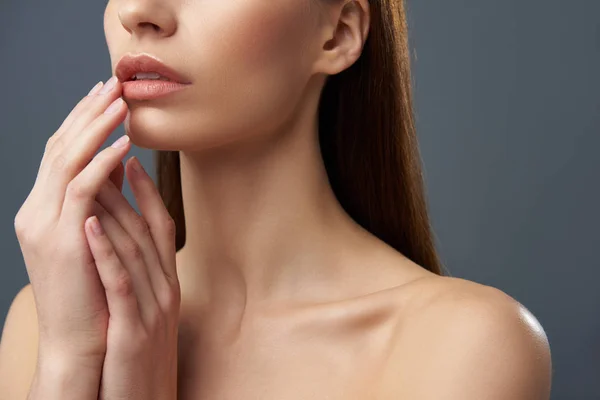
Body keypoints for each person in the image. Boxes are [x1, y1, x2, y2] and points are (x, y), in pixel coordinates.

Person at [0, 0, 552, 399]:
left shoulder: (466, 347)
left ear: (336, 34)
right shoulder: (50, 322)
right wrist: (68, 368)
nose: (140, 12)